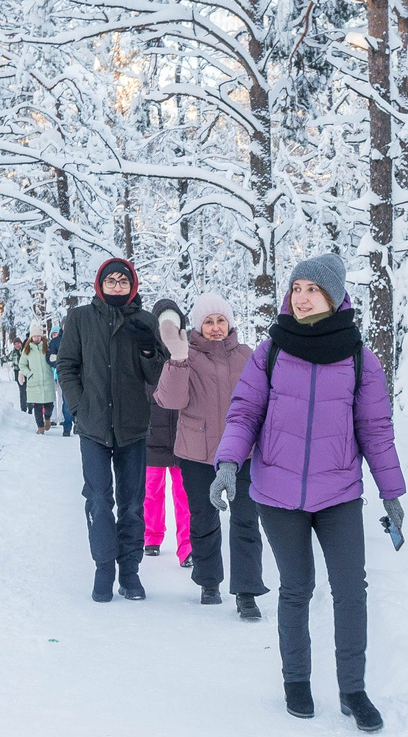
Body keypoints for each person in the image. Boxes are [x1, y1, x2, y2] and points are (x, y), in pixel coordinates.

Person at [212, 253, 406, 731]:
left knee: (350, 591)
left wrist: (391, 492)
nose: (301, 298)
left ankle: (353, 690)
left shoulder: (359, 357)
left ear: (334, 295)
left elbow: (376, 429)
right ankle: (296, 681)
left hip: (338, 491)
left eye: (312, 290)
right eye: (296, 288)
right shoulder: (271, 351)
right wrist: (227, 463)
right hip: (277, 493)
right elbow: (243, 414)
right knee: (296, 590)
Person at [55, 257, 167, 602]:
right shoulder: (80, 319)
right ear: (99, 285)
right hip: (94, 427)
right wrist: (79, 408)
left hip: (133, 426)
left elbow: (157, 375)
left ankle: (129, 574)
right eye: (111, 281)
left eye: (123, 281)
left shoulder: (145, 320)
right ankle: (104, 568)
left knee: (132, 503)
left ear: (132, 285)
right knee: (100, 499)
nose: (117, 286)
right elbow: (67, 365)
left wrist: (149, 347)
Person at [153, 291, 268, 615]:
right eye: (208, 321)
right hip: (196, 454)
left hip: (244, 454)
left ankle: (247, 592)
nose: (216, 327)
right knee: (203, 519)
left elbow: (263, 402)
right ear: (199, 325)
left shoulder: (248, 355)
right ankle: (208, 581)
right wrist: (176, 358)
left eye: (221, 320)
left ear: (229, 323)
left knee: (246, 521)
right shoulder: (186, 354)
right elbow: (170, 400)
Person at [142, 299, 195, 569]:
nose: (169, 328)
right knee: (151, 491)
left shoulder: (189, 352)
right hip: (152, 434)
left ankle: (187, 547)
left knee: (184, 494)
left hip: (182, 437)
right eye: (165, 323)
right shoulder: (147, 353)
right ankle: (151, 537)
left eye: (174, 323)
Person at [17, 330, 58, 433]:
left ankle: (47, 418)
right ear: (31, 337)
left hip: (47, 380)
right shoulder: (27, 349)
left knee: (50, 404)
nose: (36, 338)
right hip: (34, 382)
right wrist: (29, 374)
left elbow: (53, 357)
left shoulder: (47, 347)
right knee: (37, 407)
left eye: (38, 336)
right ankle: (40, 427)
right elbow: (22, 365)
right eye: (34, 336)